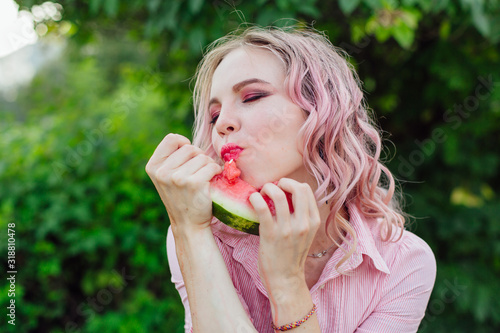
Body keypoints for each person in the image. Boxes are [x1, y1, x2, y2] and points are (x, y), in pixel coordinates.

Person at [146, 25, 436, 333]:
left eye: (253, 96)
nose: (222, 125)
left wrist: (286, 284)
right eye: (214, 115)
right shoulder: (205, 235)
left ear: (322, 109)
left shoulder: (404, 264)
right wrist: (188, 231)